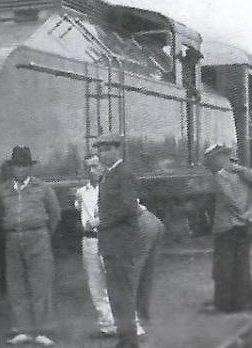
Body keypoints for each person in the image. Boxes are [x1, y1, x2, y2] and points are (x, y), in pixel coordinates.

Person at [0, 146, 60, 346]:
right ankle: (22, 330)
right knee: (16, 285)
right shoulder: (3, 190)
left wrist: (41, 234)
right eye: (16, 166)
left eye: (24, 166)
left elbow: (55, 215)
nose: (19, 170)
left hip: (38, 238)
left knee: (40, 284)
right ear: (11, 168)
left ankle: (44, 330)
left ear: (30, 168)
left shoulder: (42, 188)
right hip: (12, 241)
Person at [94, 134, 160, 348]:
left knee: (122, 294)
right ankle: (125, 339)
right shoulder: (110, 175)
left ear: (116, 150)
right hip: (113, 244)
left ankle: (129, 341)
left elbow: (128, 208)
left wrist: (101, 221)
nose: (100, 153)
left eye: (105, 149)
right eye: (99, 150)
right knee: (116, 295)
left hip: (121, 244)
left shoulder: (123, 174)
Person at [204, 144, 252, 313]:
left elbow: (230, 200)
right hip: (245, 225)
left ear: (218, 158)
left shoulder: (220, 176)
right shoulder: (243, 175)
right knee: (242, 264)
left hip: (227, 227)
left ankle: (226, 305)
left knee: (224, 266)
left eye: (211, 159)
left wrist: (241, 214)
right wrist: (248, 214)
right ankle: (245, 301)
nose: (209, 163)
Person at [75, 154, 117, 337]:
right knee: (96, 285)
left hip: (109, 237)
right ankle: (107, 325)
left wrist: (100, 220)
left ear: (103, 166)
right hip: (89, 241)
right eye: (88, 167)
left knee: (116, 282)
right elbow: (78, 207)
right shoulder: (82, 192)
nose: (92, 170)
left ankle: (130, 324)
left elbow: (130, 210)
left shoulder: (114, 189)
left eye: (96, 165)